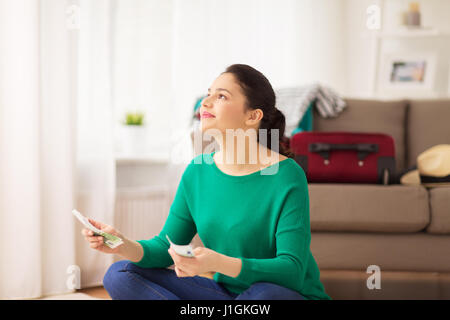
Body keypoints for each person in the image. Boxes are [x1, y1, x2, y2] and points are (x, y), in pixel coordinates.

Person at [82, 64, 331, 300]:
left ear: (253, 116)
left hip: (280, 294)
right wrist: (122, 244)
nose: (206, 102)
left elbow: (292, 270)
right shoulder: (198, 172)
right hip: (224, 294)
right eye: (208, 93)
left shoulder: (285, 175)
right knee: (121, 274)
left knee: (264, 295)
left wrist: (216, 262)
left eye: (221, 96)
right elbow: (163, 247)